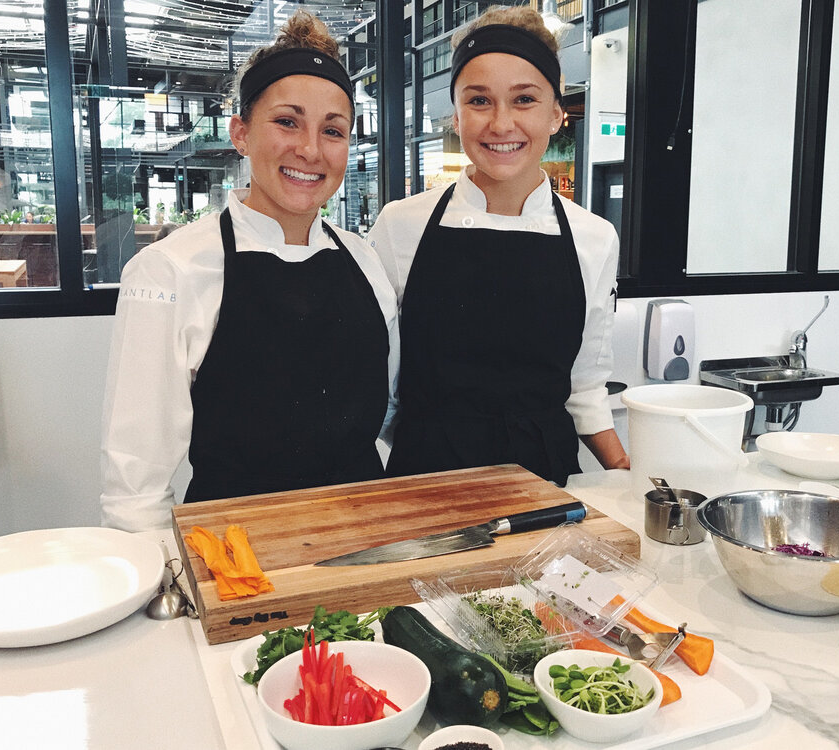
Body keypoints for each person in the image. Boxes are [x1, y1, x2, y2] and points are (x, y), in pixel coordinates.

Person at [100, 10, 398, 532]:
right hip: (236, 556)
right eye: (287, 121)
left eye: (333, 130)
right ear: (240, 132)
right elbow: (135, 487)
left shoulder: (366, 261)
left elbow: (385, 416)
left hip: (363, 542)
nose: (309, 149)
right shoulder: (170, 271)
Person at [368, 6, 628, 487]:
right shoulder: (400, 226)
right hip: (425, 481)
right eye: (480, 101)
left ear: (556, 114)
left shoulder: (594, 237)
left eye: (524, 99)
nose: (502, 123)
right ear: (456, 115)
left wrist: (631, 478)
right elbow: (379, 390)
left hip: (545, 484)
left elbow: (586, 386)